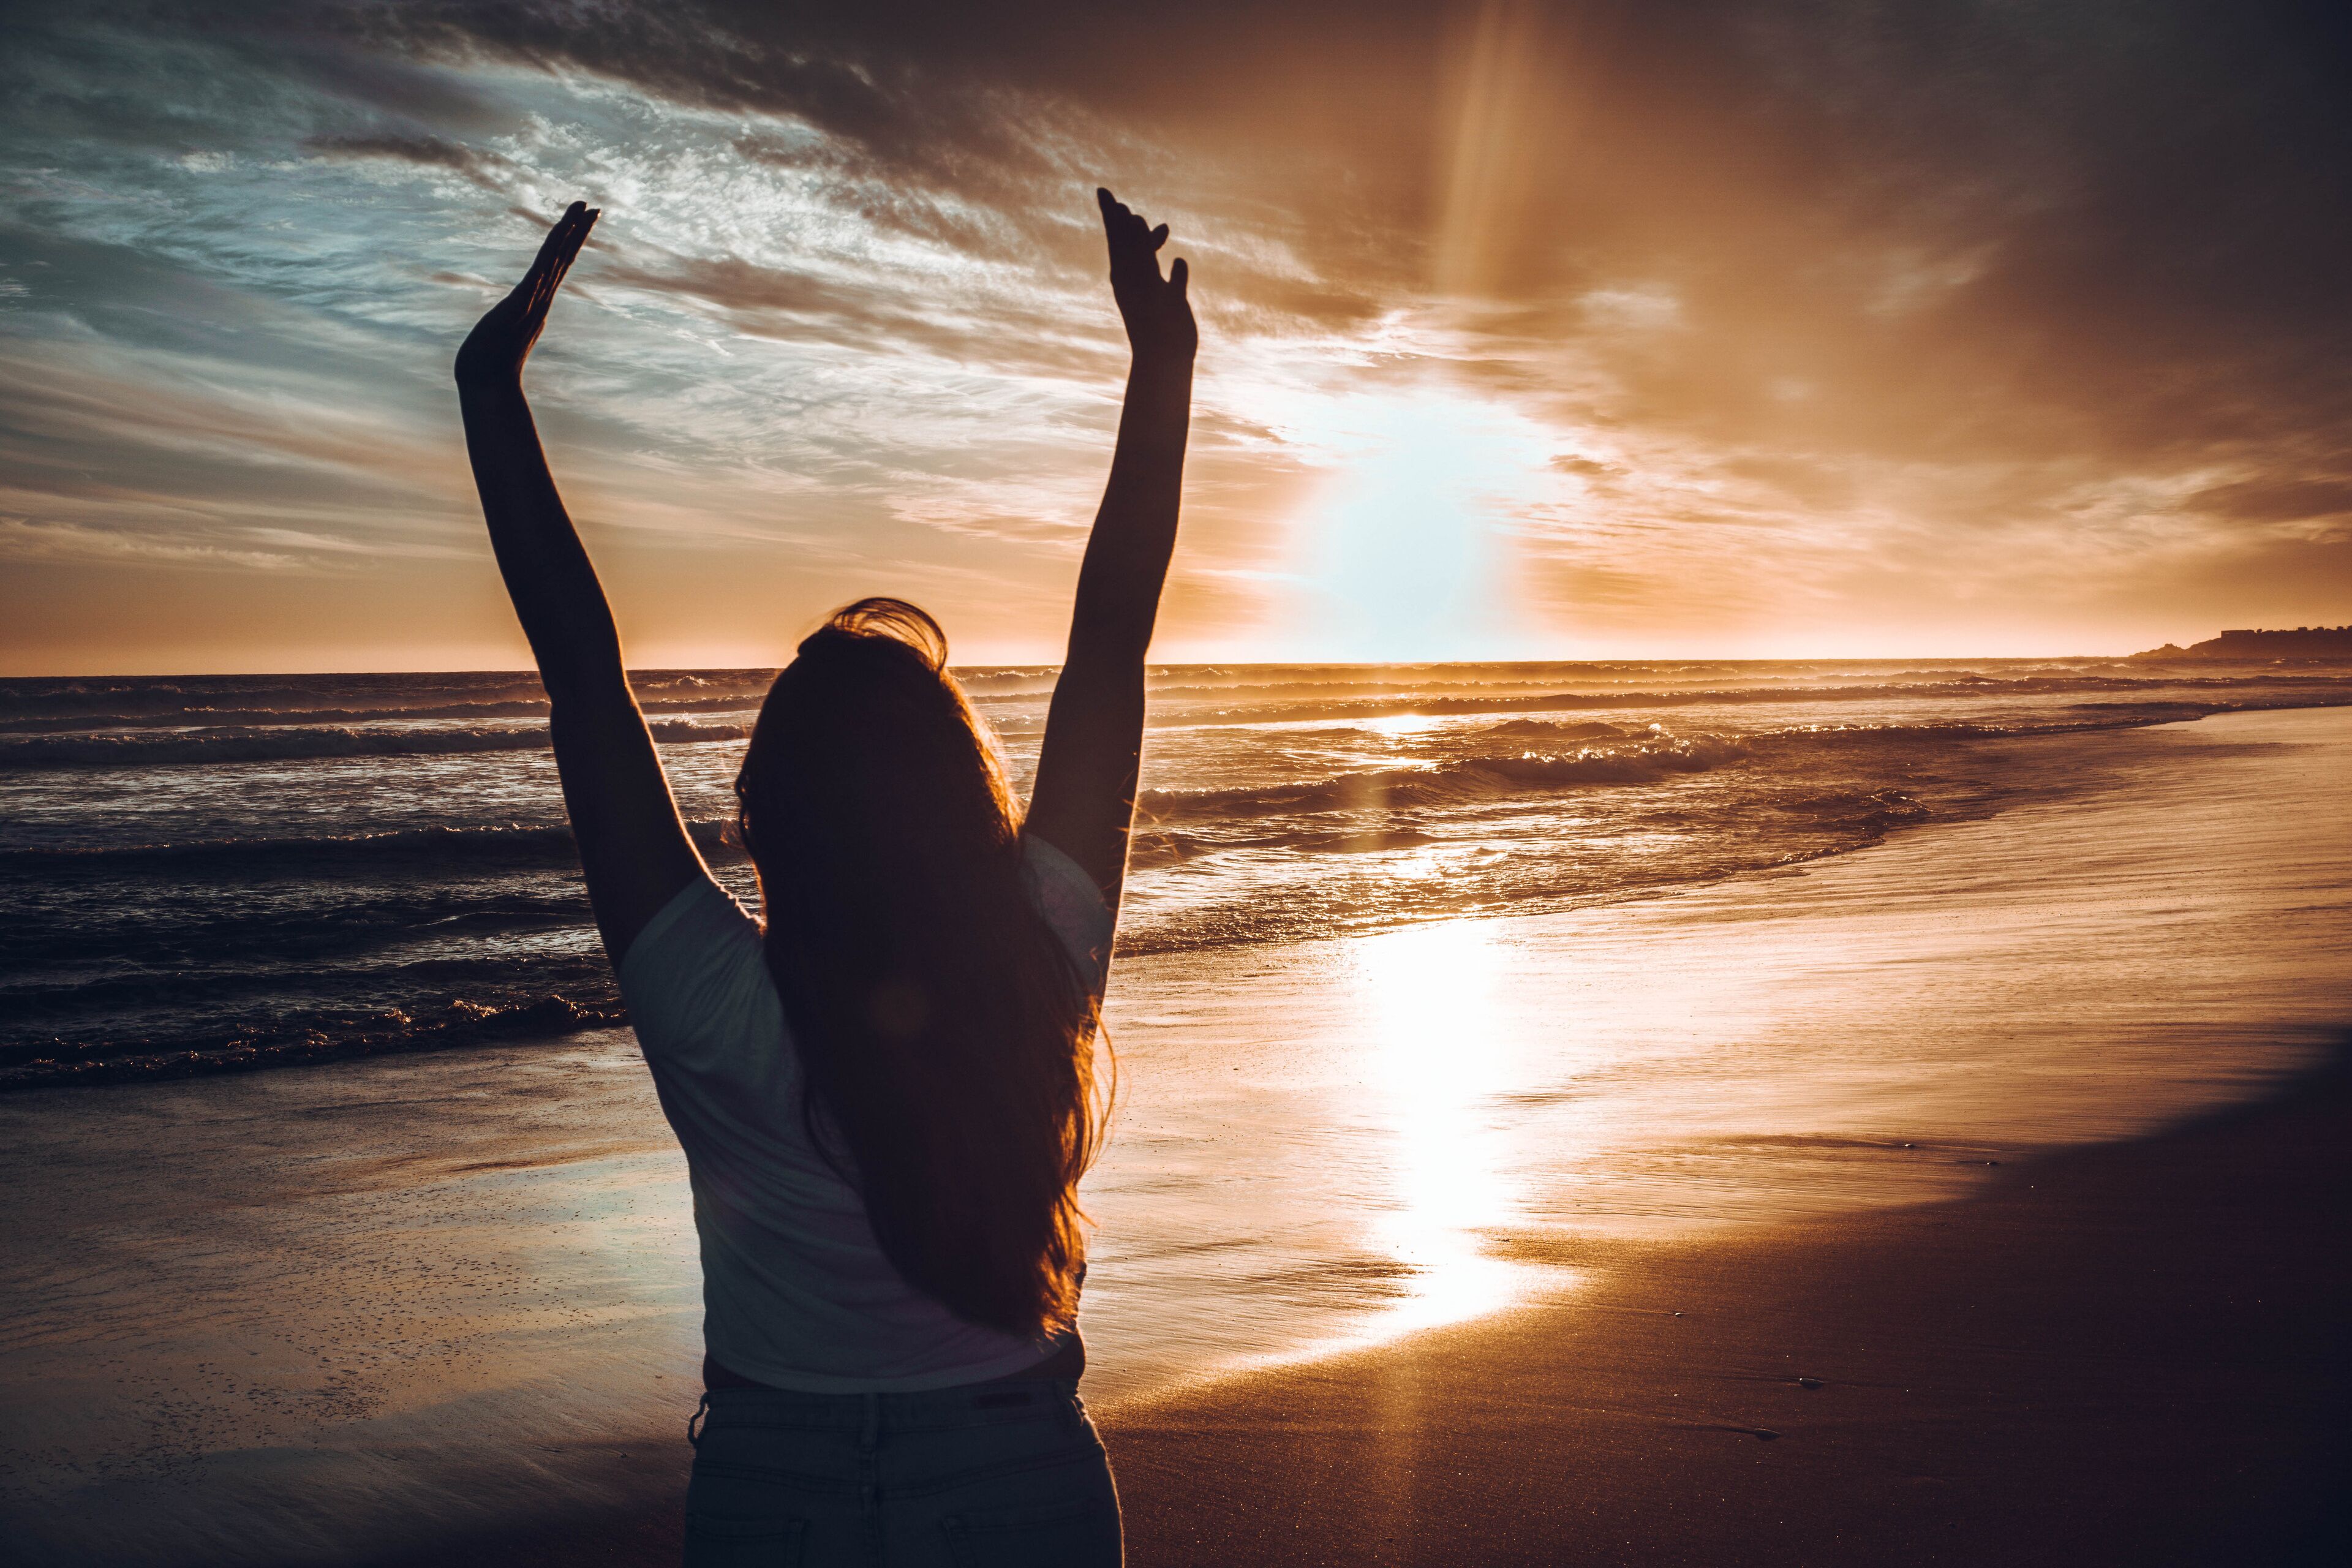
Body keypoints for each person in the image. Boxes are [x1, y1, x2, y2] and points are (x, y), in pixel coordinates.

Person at [453, 187, 1194, 1566]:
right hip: (1014, 1477)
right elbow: (1111, 649)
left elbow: (584, 682)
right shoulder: (1039, 954)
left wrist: (490, 391)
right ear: (964, 797)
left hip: (770, 1487)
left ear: (763, 818)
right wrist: (1162, 368)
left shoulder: (703, 997)